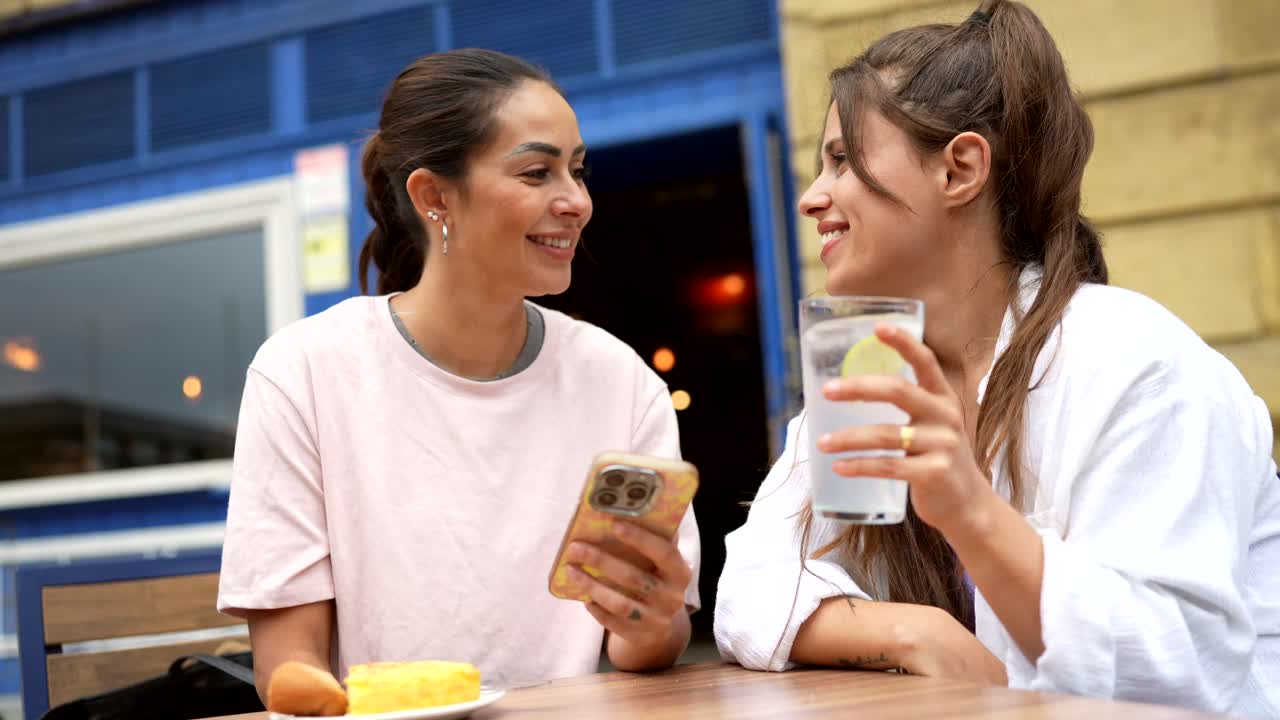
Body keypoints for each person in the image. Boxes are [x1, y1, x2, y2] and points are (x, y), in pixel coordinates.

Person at [713, 1, 1279, 716]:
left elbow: (1180, 667)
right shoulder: (872, 368)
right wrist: (913, 633)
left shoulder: (1136, 362)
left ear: (961, 169)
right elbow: (750, 586)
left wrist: (972, 513)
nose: (811, 197)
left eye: (842, 160)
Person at [217, 48, 701, 700]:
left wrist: (649, 618)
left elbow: (648, 646)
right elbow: (289, 667)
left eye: (578, 171)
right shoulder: (303, 372)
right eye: (538, 172)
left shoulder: (620, 381)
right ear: (434, 196)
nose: (577, 202)